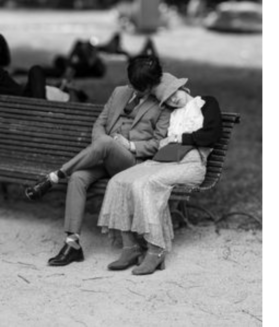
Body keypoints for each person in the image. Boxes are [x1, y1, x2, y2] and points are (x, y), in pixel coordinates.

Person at [25, 55, 171, 267]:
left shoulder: (163, 103)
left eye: (141, 88)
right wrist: (101, 144)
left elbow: (158, 143)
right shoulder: (119, 92)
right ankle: (72, 243)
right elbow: (99, 124)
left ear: (152, 84)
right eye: (133, 85)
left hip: (133, 163)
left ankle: (54, 176)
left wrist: (128, 145)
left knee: (106, 144)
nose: (135, 90)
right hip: (104, 158)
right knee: (78, 177)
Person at [97, 73, 222, 275]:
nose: (173, 99)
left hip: (191, 164)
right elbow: (159, 141)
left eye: (174, 93)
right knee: (118, 181)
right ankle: (130, 247)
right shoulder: (171, 114)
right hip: (163, 161)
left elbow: (211, 135)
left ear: (182, 86)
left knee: (148, 184)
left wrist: (180, 138)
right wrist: (164, 141)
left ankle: (156, 250)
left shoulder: (205, 103)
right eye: (168, 99)